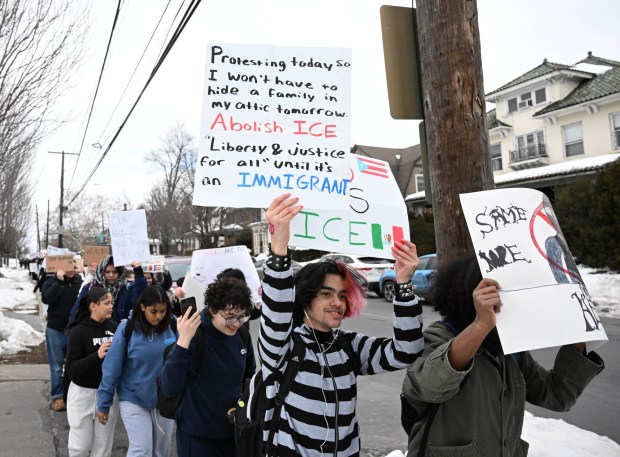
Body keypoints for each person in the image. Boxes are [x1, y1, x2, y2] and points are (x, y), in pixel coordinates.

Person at [257, 193, 424, 456]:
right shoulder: (284, 347)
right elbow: (275, 310)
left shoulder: (348, 345)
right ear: (306, 296)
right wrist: (279, 248)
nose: (337, 302)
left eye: (343, 295)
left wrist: (403, 285)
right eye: (326, 294)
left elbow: (406, 351)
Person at [401, 254, 605, 457]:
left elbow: (556, 395)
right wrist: (480, 326)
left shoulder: (510, 350)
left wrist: (578, 330)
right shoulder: (440, 336)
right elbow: (427, 387)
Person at [159, 275, 256, 456]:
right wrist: (183, 341)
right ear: (212, 309)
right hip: (197, 437)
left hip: (233, 432)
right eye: (230, 317)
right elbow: (170, 387)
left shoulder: (242, 335)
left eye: (241, 317)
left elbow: (248, 375)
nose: (235, 323)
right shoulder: (195, 335)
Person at [97, 285, 177, 457]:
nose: (158, 316)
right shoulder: (128, 329)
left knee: (161, 452)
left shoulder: (174, 325)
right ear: (142, 307)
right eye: (153, 311)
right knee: (142, 450)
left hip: (165, 400)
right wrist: (104, 402)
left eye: (163, 311)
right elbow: (112, 368)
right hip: (133, 398)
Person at [65, 288, 119, 457]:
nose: (111, 306)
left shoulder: (115, 328)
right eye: (106, 303)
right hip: (82, 394)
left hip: (107, 393)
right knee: (79, 447)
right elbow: (72, 369)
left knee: (102, 448)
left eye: (111, 302)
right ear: (93, 306)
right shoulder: (78, 331)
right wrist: (96, 356)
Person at [41, 263, 83, 412]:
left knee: (75, 364)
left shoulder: (80, 281)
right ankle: (58, 397)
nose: (71, 269)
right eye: (67, 266)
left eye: (73, 265)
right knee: (57, 366)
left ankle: (73, 396)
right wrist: (58, 281)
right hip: (55, 330)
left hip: (75, 330)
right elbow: (47, 298)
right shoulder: (51, 281)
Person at [69, 255, 147, 324]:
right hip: (96, 334)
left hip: (121, 332)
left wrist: (138, 271)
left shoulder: (127, 288)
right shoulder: (90, 288)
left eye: (114, 272)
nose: (111, 275)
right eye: (107, 272)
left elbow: (141, 298)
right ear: (102, 272)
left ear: (120, 273)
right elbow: (77, 310)